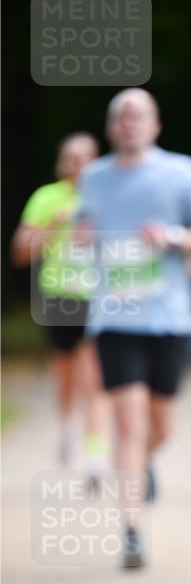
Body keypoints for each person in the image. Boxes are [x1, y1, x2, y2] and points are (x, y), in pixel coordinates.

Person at [77, 89, 191, 568]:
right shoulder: (93, 178)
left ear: (155, 125)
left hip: (169, 318)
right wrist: (80, 235)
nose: (129, 123)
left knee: (161, 426)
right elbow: (82, 227)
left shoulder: (181, 172)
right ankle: (132, 530)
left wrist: (173, 237)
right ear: (110, 127)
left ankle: (143, 461)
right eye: (121, 116)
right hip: (114, 318)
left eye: (138, 115)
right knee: (129, 422)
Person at [11, 133, 109, 479]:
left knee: (93, 376)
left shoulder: (106, 194)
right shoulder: (46, 197)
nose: (77, 164)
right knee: (66, 373)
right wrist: (56, 224)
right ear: (61, 162)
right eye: (71, 157)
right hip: (60, 296)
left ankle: (95, 451)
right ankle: (67, 428)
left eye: (84, 157)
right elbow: (20, 252)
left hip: (97, 297)